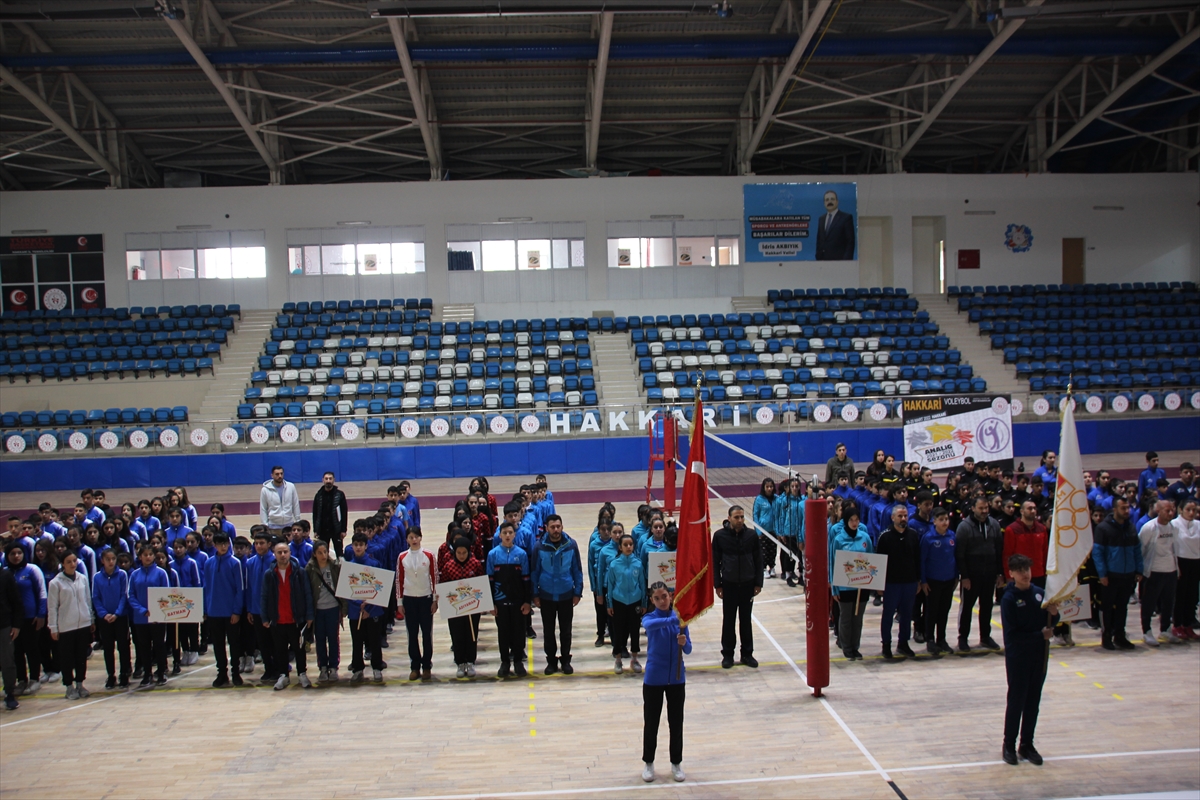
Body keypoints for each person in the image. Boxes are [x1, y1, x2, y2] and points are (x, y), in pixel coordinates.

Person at [1000, 553, 1059, 767]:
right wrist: (1038, 636)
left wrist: (1055, 613)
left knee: (1033, 702)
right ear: (1012, 573)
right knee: (1016, 702)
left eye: (1027, 570)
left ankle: (1027, 744)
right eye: (1021, 571)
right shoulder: (1009, 599)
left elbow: (1051, 621)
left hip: (1039, 656)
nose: (1025, 574)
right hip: (1019, 657)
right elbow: (1012, 635)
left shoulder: (1040, 594)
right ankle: (1008, 744)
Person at [640, 582, 691, 784]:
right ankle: (648, 762)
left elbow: (688, 650)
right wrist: (676, 618)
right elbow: (650, 626)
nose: (662, 601)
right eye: (657, 598)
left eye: (664, 596)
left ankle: (676, 762)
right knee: (651, 723)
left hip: (677, 678)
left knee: (676, 723)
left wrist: (684, 642)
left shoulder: (680, 620)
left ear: (670, 596)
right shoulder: (650, 618)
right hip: (654, 678)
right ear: (652, 601)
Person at [712, 506, 762, 670]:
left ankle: (747, 654)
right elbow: (715, 562)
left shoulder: (751, 536)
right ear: (729, 518)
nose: (740, 520)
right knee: (729, 620)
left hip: (748, 584)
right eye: (736, 517)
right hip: (729, 584)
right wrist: (717, 584)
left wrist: (758, 583)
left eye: (742, 517)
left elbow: (758, 560)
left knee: (746, 620)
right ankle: (727, 654)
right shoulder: (720, 536)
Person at [532, 514, 583, 676]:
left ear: (562, 527)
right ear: (546, 528)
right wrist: (535, 594)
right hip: (546, 595)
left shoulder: (571, 545)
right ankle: (551, 660)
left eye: (558, 526)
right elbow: (534, 572)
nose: (556, 530)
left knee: (566, 630)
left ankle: (566, 660)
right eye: (552, 527)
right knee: (548, 630)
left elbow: (577, 570)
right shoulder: (539, 547)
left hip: (566, 595)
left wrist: (577, 592)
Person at [260, 541, 314, 690]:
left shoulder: (299, 572)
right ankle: (283, 675)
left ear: (290, 553)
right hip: (278, 620)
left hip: (296, 619)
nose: (283, 555)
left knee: (299, 649)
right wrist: (265, 617)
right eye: (279, 552)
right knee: (280, 650)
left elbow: (307, 594)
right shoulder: (269, 574)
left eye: (285, 552)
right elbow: (264, 596)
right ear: (274, 554)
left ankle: (302, 674)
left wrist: (309, 615)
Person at [1092, 497, 1144, 651]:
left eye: (1128, 508)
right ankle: (1106, 636)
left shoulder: (1131, 528)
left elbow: (1137, 550)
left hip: (1128, 574)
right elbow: (1098, 553)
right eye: (1123, 508)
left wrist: (1139, 570)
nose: (1127, 511)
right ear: (1114, 509)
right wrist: (1102, 574)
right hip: (1111, 574)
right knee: (1107, 607)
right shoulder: (1103, 528)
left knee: (1123, 607)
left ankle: (1120, 635)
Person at [956, 495, 1005, 653]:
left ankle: (985, 636)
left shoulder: (994, 525)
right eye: (981, 508)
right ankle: (963, 638)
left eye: (986, 508)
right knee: (967, 608)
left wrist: (999, 573)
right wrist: (964, 577)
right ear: (973, 508)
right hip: (971, 576)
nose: (984, 511)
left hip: (989, 574)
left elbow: (999, 551)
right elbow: (960, 554)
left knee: (987, 607)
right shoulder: (964, 527)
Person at [487, 521, 532, 678]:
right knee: (503, 633)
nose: (507, 535)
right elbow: (489, 580)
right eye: (504, 533)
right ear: (499, 535)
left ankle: (518, 662)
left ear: (514, 535)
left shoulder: (521, 554)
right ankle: (505, 662)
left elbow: (526, 579)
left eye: (510, 533)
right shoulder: (493, 555)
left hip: (518, 602)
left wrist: (527, 601)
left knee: (519, 633)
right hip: (500, 602)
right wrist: (491, 603)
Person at [47, 551, 93, 700]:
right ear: (63, 564)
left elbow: (87, 599)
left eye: (74, 561)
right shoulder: (55, 583)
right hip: (66, 626)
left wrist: (91, 619)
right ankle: (69, 686)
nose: (73, 564)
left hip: (83, 624)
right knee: (67, 658)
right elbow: (52, 607)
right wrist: (53, 627)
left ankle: (80, 683)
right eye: (69, 561)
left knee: (81, 656)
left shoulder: (83, 579)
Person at [877, 504, 921, 660]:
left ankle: (903, 643)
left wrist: (918, 580)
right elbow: (879, 563)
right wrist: (879, 585)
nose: (903, 519)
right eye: (900, 516)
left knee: (907, 615)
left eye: (905, 516)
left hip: (909, 583)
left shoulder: (913, 535)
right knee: (888, 615)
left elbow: (917, 559)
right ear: (893, 517)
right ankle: (886, 645)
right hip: (891, 584)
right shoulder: (885, 536)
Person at [828, 506, 872, 660]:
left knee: (858, 619)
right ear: (846, 521)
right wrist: (834, 588)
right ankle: (846, 647)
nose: (854, 523)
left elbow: (871, 560)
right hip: (845, 586)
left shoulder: (865, 538)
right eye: (851, 520)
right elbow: (832, 564)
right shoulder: (838, 540)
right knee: (846, 618)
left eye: (856, 520)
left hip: (862, 586)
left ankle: (855, 647)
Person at [1137, 499, 1182, 647]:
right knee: (1149, 603)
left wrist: (1177, 569)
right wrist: (1140, 571)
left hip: (1170, 570)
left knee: (1169, 602)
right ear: (1158, 511)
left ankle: (1165, 629)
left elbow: (1175, 549)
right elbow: (1141, 550)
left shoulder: (1174, 527)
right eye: (1167, 510)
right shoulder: (1149, 528)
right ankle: (1147, 631)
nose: (1171, 513)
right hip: (1153, 571)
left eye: (1172, 510)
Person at [204, 532, 245, 688]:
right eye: (220, 544)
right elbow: (206, 587)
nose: (223, 546)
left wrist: (236, 611)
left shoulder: (235, 563)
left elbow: (239, 589)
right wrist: (206, 608)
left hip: (230, 613)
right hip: (214, 612)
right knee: (218, 644)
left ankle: (236, 672)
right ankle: (222, 673)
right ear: (214, 545)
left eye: (225, 544)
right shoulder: (208, 563)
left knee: (234, 644)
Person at [395, 526, 437, 681]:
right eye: (410, 537)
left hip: (425, 599)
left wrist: (434, 599)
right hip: (409, 599)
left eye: (416, 537)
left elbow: (434, 578)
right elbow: (399, 580)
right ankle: (414, 666)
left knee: (427, 634)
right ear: (407, 539)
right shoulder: (401, 557)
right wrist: (399, 602)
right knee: (412, 634)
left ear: (421, 538)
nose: (413, 540)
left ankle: (427, 665)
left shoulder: (429, 555)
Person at [440, 537, 484, 679]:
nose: (461, 555)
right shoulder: (448, 566)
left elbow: (481, 584)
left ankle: (470, 661)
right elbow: (444, 586)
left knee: (471, 634)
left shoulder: (475, 564)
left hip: (472, 608)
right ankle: (460, 662)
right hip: (455, 609)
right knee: (457, 634)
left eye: (464, 552)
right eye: (458, 553)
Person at [345, 532, 385, 684]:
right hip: (356, 611)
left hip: (372, 610)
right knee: (357, 641)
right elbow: (347, 591)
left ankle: (377, 668)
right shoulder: (349, 567)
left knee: (375, 641)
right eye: (356, 545)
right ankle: (357, 668)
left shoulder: (374, 564)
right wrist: (359, 606)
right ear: (352, 546)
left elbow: (380, 587)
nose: (358, 547)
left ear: (366, 546)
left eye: (361, 545)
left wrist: (368, 606)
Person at [5, 543, 45, 695]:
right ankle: (22, 679)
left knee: (32, 649)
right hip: (13, 620)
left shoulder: (32, 569)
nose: (16, 556)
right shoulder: (6, 572)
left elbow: (42, 592)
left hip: (31, 618)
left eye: (19, 553)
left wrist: (41, 614)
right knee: (17, 651)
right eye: (12, 554)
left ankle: (35, 678)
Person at [919, 507, 958, 655]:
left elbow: (954, 558)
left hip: (948, 580)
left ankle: (942, 639)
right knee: (931, 611)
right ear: (934, 521)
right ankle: (930, 639)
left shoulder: (952, 536)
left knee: (944, 611)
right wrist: (923, 580)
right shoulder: (928, 538)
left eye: (946, 519)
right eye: (941, 520)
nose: (944, 522)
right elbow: (922, 560)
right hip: (933, 581)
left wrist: (956, 577)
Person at [305, 540, 345, 683]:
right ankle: (322, 667)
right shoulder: (309, 569)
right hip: (318, 610)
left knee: (333, 639)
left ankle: (334, 667)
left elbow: (343, 587)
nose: (323, 555)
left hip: (333, 608)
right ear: (314, 554)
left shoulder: (335, 567)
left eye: (325, 552)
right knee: (320, 640)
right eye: (320, 553)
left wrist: (343, 608)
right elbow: (307, 592)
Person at [606, 534, 646, 675]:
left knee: (635, 631)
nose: (629, 547)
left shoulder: (638, 564)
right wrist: (610, 604)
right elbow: (610, 585)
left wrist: (643, 603)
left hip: (635, 601)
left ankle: (634, 659)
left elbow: (642, 583)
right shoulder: (614, 564)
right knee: (618, 631)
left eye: (631, 544)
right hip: (619, 601)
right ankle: (618, 659)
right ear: (620, 547)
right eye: (625, 545)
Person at [92, 549, 131, 689]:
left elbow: (124, 595)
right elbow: (95, 597)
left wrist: (117, 613)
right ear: (102, 560)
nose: (111, 562)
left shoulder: (122, 575)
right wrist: (103, 614)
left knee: (123, 646)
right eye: (107, 559)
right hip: (105, 619)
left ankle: (124, 673)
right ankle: (111, 675)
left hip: (120, 617)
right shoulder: (97, 577)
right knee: (108, 648)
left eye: (113, 558)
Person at [1172, 499, 1200, 640]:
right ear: (1180, 510)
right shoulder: (1174, 525)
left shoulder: (1199, 525)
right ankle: (1177, 625)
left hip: (1196, 562)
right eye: (1188, 509)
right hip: (1180, 561)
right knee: (1180, 595)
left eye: (1194, 510)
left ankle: (1188, 624)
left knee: (1192, 595)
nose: (1191, 513)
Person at [312, 472, 349, 557]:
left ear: (334, 480)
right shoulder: (318, 495)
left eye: (330, 478)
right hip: (323, 529)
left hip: (336, 529)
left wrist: (343, 529)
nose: (328, 481)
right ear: (323, 480)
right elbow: (315, 514)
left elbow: (344, 513)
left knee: (339, 551)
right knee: (323, 551)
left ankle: (340, 568)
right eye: (326, 479)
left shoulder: (340, 495)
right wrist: (316, 530)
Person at [260, 465, 301, 538]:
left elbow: (295, 504)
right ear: (272, 475)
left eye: (281, 473)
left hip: (288, 525)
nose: (280, 476)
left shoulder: (291, 487)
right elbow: (263, 508)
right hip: (273, 526)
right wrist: (265, 524)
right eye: (277, 474)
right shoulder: (265, 490)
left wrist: (298, 520)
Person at [0, 564, 21, 710]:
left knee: (7, 660)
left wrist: (16, 625)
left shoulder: (5, 575)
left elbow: (16, 602)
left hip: (4, 625)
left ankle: (10, 692)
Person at [815, 188, 856, 260]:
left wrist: (846, 262)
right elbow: (819, 240)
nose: (829, 201)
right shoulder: (821, 219)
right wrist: (818, 256)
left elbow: (850, 242)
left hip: (839, 262)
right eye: (827, 200)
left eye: (832, 199)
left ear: (837, 202)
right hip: (822, 262)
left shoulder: (846, 218)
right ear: (824, 203)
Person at [752, 479, 778, 579]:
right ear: (763, 487)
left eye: (771, 486)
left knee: (773, 550)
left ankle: (772, 567)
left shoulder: (776, 498)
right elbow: (755, 515)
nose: (769, 489)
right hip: (763, 531)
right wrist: (758, 531)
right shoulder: (759, 499)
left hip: (774, 530)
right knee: (763, 551)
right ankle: (763, 569)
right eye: (767, 487)